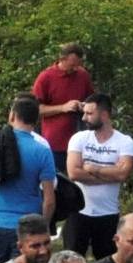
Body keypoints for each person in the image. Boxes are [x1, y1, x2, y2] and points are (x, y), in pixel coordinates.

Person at [0, 95, 59, 258]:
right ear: (37, 120)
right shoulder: (42, 151)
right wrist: (43, 227)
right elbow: (49, 200)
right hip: (27, 225)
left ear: (12, 115)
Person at [65, 93, 133, 258]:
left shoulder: (125, 142)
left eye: (89, 114)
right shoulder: (79, 138)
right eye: (84, 113)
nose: (84, 118)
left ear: (104, 115)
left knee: (106, 262)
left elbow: (122, 174)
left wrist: (93, 169)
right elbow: (74, 172)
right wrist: (109, 174)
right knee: (71, 259)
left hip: (107, 214)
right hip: (79, 211)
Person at [29, 39, 90, 168]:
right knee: (57, 179)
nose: (74, 69)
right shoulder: (46, 77)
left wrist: (83, 105)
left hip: (79, 138)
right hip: (54, 141)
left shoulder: (82, 75)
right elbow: (35, 109)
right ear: (62, 59)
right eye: (72, 65)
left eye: (77, 65)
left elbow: (92, 101)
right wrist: (63, 108)